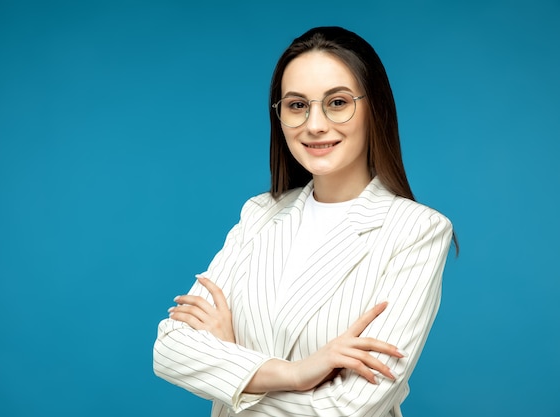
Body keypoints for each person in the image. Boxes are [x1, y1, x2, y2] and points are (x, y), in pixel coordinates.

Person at [153, 26, 456, 417]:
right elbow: (170, 350)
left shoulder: (418, 231)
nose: (314, 125)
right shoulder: (260, 214)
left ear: (375, 108)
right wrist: (296, 374)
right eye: (297, 105)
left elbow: (350, 407)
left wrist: (232, 365)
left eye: (338, 102)